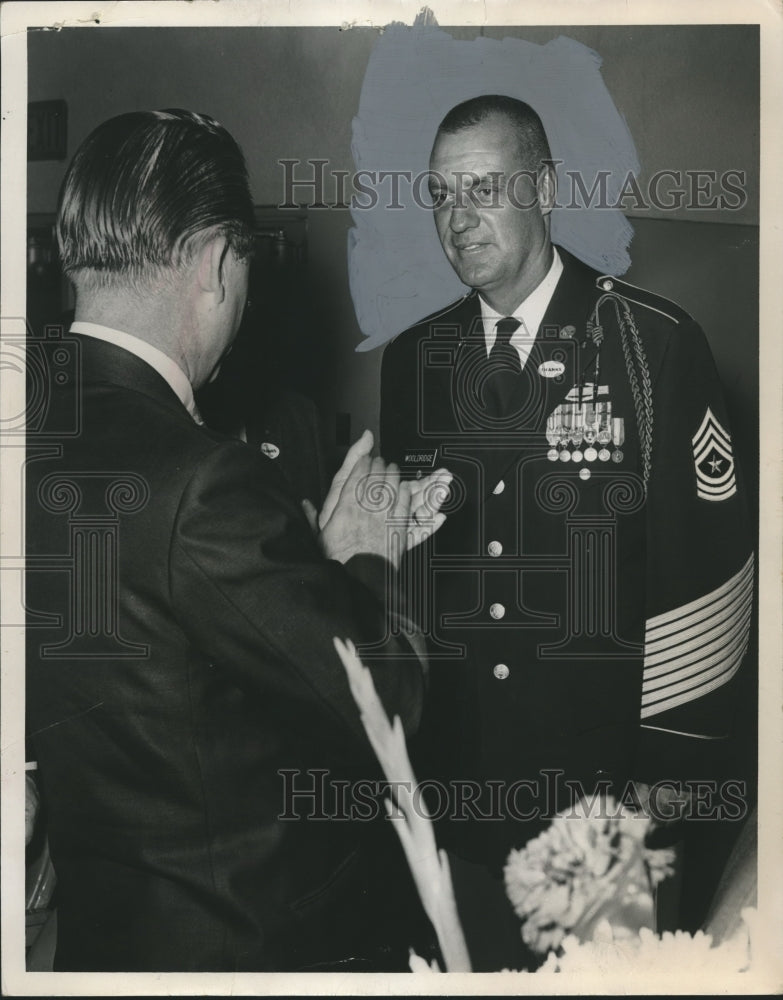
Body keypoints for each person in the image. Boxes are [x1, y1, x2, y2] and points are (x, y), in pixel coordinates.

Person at [25, 109, 452, 972]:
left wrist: (311, 574)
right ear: (219, 263)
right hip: (232, 947)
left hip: (98, 938)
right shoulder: (203, 480)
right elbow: (386, 707)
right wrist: (369, 554)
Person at [380, 95, 754, 963]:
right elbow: (412, 582)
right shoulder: (414, 363)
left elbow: (704, 589)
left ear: (544, 188)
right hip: (455, 798)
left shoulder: (650, 347)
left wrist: (655, 803)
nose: (457, 218)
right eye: (439, 194)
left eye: (482, 187)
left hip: (599, 811)